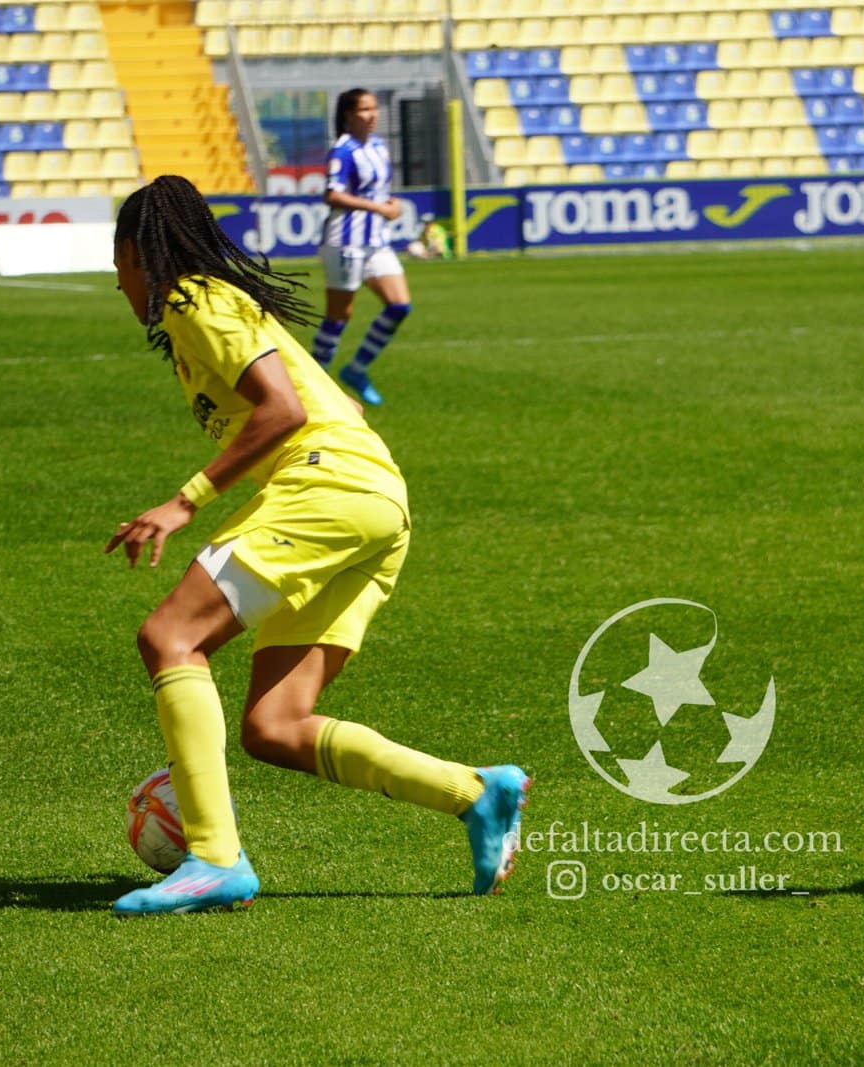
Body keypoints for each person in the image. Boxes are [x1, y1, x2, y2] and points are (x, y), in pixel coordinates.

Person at [107, 175, 528, 916]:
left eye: (120, 264)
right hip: (373, 499)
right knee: (276, 726)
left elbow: (283, 409)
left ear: (144, 254)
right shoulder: (200, 310)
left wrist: (184, 503)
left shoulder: (193, 298)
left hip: (329, 484)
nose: (117, 284)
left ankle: (214, 856)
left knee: (171, 635)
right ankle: (475, 792)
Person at [310, 87, 410, 406]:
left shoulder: (379, 146)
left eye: (374, 108)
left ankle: (356, 369)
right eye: (364, 110)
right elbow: (332, 194)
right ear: (348, 115)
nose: (372, 115)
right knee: (339, 317)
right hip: (346, 241)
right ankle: (313, 385)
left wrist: (390, 203)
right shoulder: (343, 150)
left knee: (399, 305)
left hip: (376, 242)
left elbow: (378, 189)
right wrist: (380, 209)